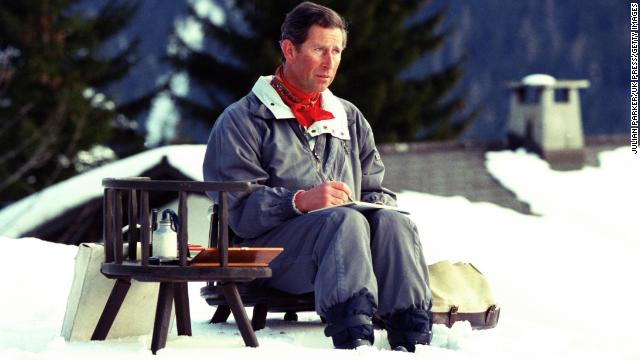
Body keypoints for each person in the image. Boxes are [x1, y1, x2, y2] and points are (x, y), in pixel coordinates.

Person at [203, 1, 432, 352]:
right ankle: (353, 339)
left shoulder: (349, 118)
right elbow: (239, 210)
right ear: (289, 49)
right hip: (266, 254)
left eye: (337, 50)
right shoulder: (241, 120)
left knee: (394, 223)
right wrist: (298, 202)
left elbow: (374, 188)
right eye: (319, 49)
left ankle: (414, 337)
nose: (330, 62)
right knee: (342, 222)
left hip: (346, 253)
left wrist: (377, 208)